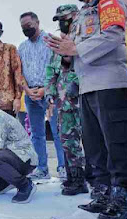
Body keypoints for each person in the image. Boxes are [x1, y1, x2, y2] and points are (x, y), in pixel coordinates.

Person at [45, 0, 127, 219]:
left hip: (110, 83)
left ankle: (121, 199)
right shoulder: (83, 13)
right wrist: (65, 54)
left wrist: (75, 49)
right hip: (86, 86)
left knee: (117, 145)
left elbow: (113, 35)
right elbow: (74, 52)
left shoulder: (110, 2)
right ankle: (102, 195)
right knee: (95, 146)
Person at [45, 4, 88, 196]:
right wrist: (50, 94)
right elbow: (51, 72)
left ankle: (94, 180)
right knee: (67, 140)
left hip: (84, 99)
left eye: (66, 19)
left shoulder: (84, 38)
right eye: (59, 20)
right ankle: (75, 179)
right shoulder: (58, 46)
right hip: (64, 103)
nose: (63, 23)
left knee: (90, 141)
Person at [18, 12, 66, 180]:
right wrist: (27, 89)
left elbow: (59, 68)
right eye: (23, 27)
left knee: (57, 131)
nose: (26, 29)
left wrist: (46, 89)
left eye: (29, 25)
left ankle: (62, 168)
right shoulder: (22, 47)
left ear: (37, 22)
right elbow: (19, 73)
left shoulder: (51, 41)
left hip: (50, 94)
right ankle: (41, 168)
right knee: (36, 134)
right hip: (30, 95)